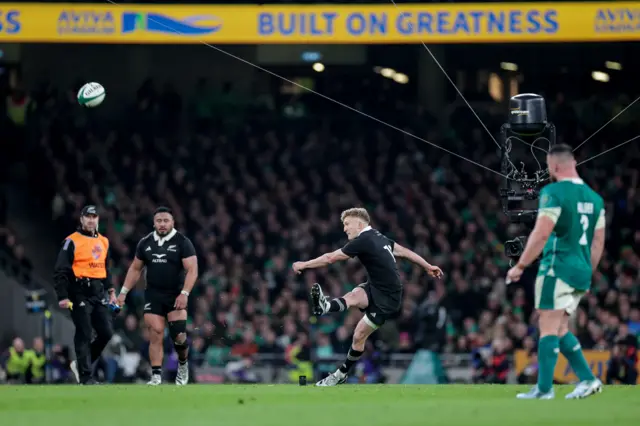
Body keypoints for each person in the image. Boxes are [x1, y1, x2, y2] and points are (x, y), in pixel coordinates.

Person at [292, 207, 443, 386]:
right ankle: (325, 307)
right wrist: (427, 266)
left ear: (359, 223)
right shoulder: (380, 238)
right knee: (354, 295)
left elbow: (331, 258)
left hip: (387, 299)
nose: (344, 228)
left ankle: (341, 374)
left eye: (347, 224)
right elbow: (405, 252)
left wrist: (304, 264)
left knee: (358, 336)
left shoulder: (364, 240)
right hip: (376, 287)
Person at [507, 144, 605, 400]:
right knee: (560, 328)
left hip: (557, 268)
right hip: (581, 271)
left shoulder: (554, 192)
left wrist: (520, 265)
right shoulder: (596, 199)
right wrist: (585, 271)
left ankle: (544, 389)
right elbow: (597, 244)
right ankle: (588, 379)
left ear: (554, 166)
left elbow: (541, 234)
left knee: (548, 326)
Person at [117, 207, 198, 386]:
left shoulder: (182, 242)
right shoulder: (145, 243)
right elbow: (135, 269)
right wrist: (122, 293)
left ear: (172, 222)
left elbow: (192, 270)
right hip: (153, 295)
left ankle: (183, 365)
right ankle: (156, 376)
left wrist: (185, 293)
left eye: (166, 221)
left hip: (176, 295)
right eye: (159, 221)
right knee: (156, 333)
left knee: (179, 337)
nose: (162, 224)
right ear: (154, 223)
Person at [53, 205, 115, 385]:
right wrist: (62, 296)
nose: (90, 220)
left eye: (94, 216)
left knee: (106, 333)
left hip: (98, 291)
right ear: (81, 219)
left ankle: (80, 366)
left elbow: (106, 268)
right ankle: (86, 376)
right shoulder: (71, 241)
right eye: (87, 216)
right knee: (84, 332)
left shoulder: (104, 241)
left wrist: (111, 290)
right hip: (78, 292)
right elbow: (60, 270)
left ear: (98, 220)